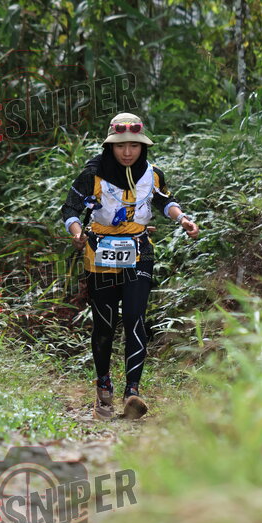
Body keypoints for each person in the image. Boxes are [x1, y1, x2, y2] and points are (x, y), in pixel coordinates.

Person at [61, 112, 199, 421]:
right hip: (100, 253)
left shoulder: (152, 173)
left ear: (142, 147)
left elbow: (164, 201)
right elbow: (69, 208)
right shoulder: (93, 175)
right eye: (120, 145)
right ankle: (103, 388)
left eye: (134, 146)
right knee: (105, 324)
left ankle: (132, 393)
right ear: (110, 146)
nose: (127, 152)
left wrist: (182, 219)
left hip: (139, 251)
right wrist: (77, 233)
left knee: (136, 318)